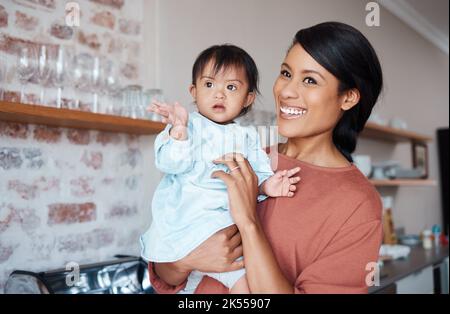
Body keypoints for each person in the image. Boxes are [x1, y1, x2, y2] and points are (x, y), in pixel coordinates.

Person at [147, 21, 384, 294]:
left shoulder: (357, 205)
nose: (286, 91)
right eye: (286, 73)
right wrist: (187, 261)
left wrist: (249, 223)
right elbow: (165, 271)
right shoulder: (245, 156)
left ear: (348, 98)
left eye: (309, 80)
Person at [140, 44, 301, 294]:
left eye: (231, 87)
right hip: (183, 231)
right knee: (189, 287)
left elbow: (255, 176)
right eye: (209, 85)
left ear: (247, 98)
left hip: (224, 235)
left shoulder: (247, 137)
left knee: (246, 287)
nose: (219, 94)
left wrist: (270, 185)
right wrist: (179, 131)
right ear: (193, 91)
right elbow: (170, 163)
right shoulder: (187, 126)